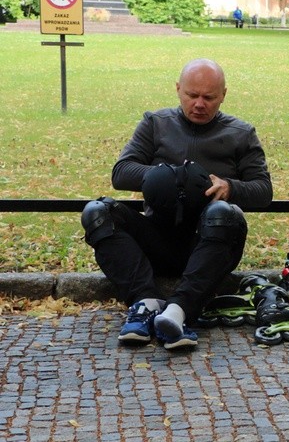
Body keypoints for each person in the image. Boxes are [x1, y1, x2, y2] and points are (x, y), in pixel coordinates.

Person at [81, 58, 273, 350]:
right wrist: (170, 177)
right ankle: (145, 303)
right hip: (157, 236)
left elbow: (263, 190)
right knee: (97, 213)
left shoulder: (240, 133)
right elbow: (121, 173)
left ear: (223, 94)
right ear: (178, 89)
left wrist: (229, 187)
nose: (199, 104)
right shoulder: (155, 123)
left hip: (210, 243)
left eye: (209, 97)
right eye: (191, 95)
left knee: (223, 214)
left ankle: (179, 312)